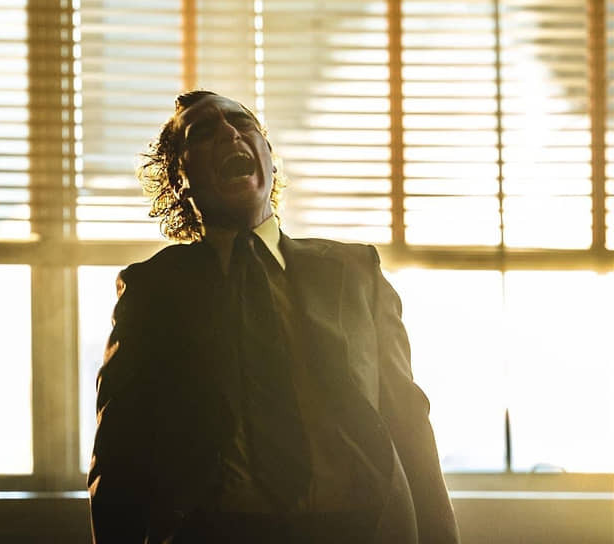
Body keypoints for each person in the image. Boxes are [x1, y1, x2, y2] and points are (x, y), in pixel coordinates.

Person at [86, 90, 460, 544]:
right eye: (203, 132)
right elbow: (119, 454)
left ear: (269, 158)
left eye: (241, 123)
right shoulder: (152, 290)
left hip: (359, 528)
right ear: (180, 181)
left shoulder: (357, 272)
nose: (229, 133)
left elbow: (409, 422)